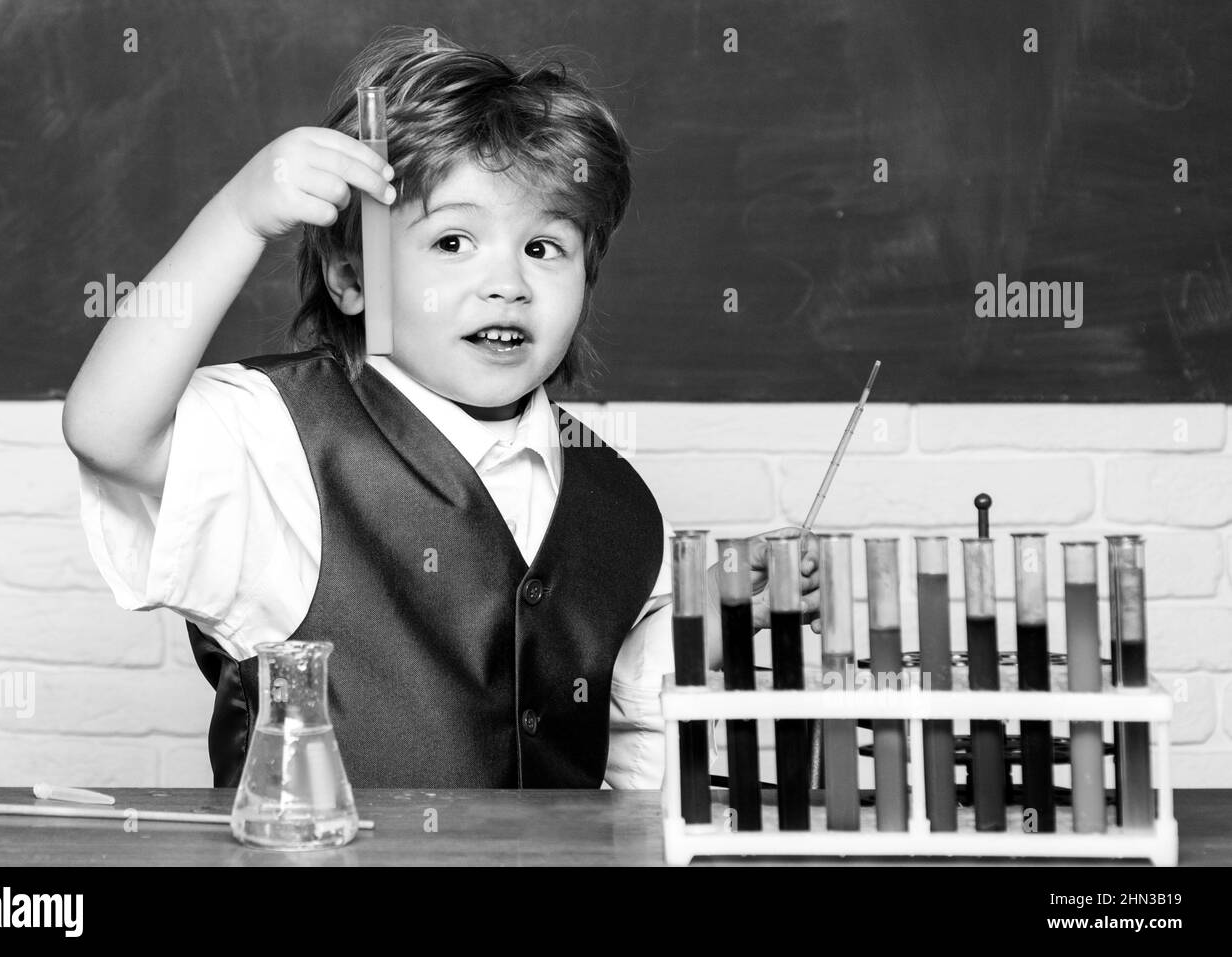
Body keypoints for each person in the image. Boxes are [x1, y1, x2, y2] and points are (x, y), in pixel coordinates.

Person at [63, 27, 820, 790]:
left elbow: (621, 734)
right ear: (352, 278)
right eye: (454, 241)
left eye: (544, 247)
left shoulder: (616, 498)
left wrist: (708, 616)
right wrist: (239, 216)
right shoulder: (281, 441)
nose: (506, 283)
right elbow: (107, 430)